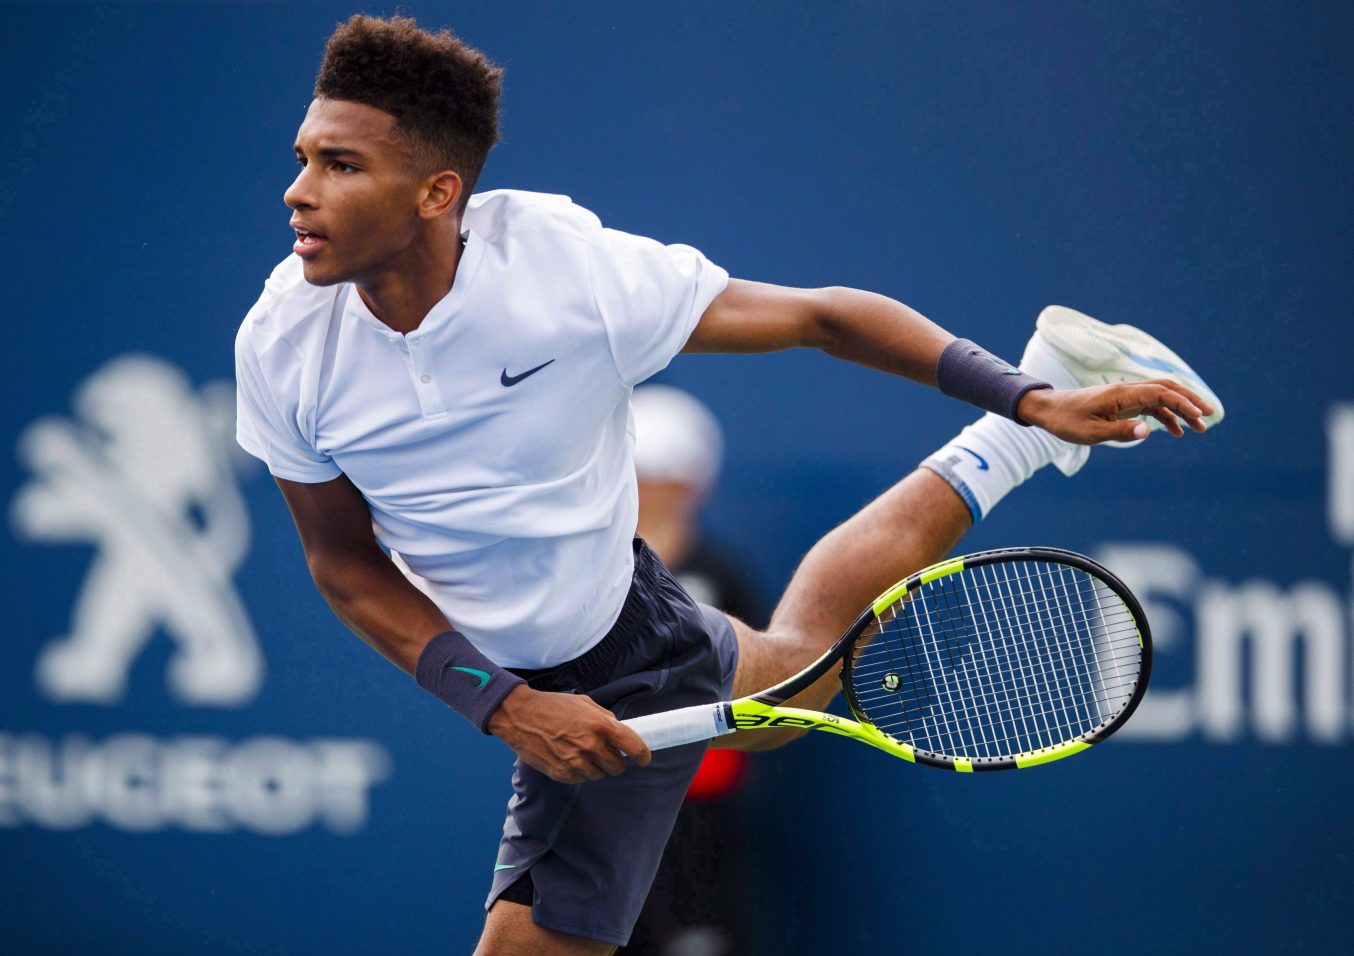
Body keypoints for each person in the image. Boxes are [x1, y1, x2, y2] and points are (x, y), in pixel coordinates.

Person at [233, 15, 1221, 954]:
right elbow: (342, 560)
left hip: (621, 652)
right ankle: (1015, 444)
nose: (299, 190)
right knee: (797, 676)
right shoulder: (282, 343)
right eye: (303, 158)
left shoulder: (568, 277)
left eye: (341, 164)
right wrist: (504, 703)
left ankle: (1028, 421)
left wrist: (1025, 395)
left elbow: (824, 318)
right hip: (529, 664)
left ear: (437, 192)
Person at [624, 386, 765, 956]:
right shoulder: (583, 577)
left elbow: (756, 695)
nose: (647, 488)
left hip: (700, 813)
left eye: (661, 472)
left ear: (693, 482)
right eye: (636, 471)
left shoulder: (724, 576)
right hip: (594, 810)